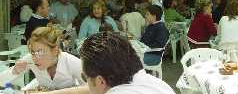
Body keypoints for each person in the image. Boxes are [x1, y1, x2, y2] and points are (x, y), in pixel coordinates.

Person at [35, 32, 176, 94]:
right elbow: (93, 89)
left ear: (101, 81)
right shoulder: (153, 82)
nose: (86, 83)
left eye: (85, 78)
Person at [0, 26, 84, 90]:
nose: (35, 57)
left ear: (54, 50)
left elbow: (90, 88)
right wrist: (15, 71)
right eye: (32, 52)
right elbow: (1, 82)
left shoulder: (71, 61)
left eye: (40, 52)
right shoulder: (31, 58)